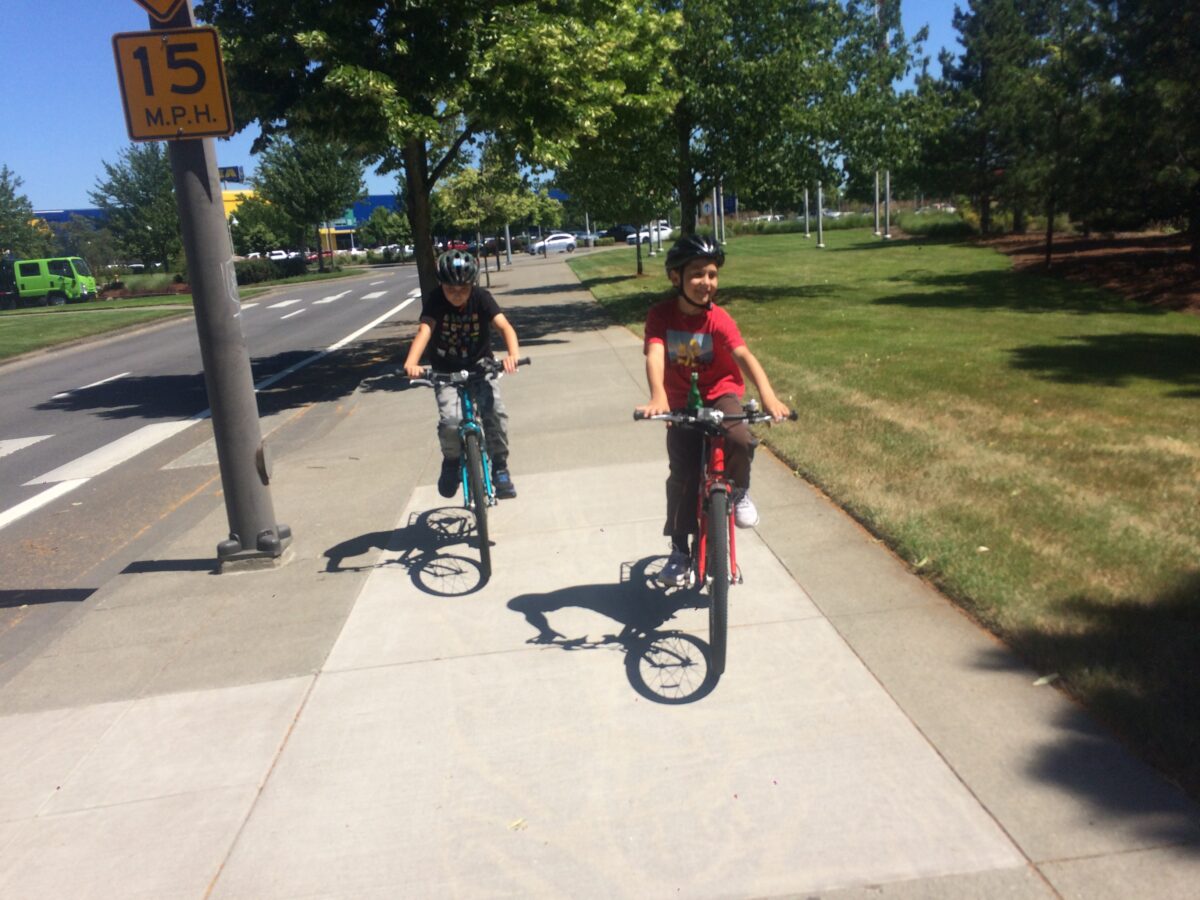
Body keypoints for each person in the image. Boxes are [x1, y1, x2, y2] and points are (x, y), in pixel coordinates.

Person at [636, 234, 791, 587]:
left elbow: (743, 355)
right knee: (683, 474)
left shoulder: (718, 318)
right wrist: (658, 395)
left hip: (720, 393)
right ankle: (679, 552)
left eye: (712, 274)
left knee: (738, 435)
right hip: (681, 401)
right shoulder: (660, 315)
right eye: (696, 274)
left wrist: (768, 395)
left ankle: (737, 492)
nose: (706, 283)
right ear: (675, 278)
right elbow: (656, 353)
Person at [403, 250, 522, 499]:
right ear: (441, 285)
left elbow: (504, 326)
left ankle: (500, 467)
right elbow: (425, 331)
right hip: (446, 371)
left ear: (472, 284)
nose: (456, 294)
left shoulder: (482, 298)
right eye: (450, 288)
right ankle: (452, 462)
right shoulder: (435, 301)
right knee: (450, 421)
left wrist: (512, 355)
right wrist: (412, 363)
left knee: (495, 413)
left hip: (481, 367)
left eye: (463, 288)